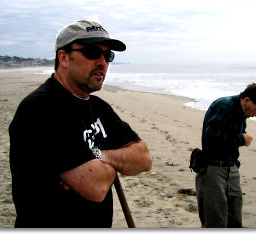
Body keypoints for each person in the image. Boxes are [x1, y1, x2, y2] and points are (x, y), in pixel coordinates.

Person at [9, 19, 152, 228]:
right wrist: (118, 162)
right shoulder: (41, 109)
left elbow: (144, 158)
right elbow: (96, 186)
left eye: (108, 55)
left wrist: (100, 156)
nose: (103, 62)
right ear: (64, 58)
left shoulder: (99, 107)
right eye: (93, 52)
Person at [195, 83, 256, 228]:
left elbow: (228, 141)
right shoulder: (223, 106)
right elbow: (211, 140)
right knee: (215, 223)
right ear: (247, 100)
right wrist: (242, 139)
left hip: (231, 169)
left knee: (234, 221)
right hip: (213, 170)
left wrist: (235, 166)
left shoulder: (242, 113)